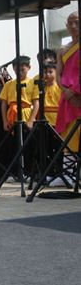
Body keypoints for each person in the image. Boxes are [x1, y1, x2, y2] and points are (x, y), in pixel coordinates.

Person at [55, 11, 80, 186]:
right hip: (67, 98)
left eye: (77, 22)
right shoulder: (63, 49)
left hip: (78, 95)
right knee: (69, 135)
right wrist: (66, 91)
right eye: (70, 23)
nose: (73, 26)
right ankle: (68, 174)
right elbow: (58, 74)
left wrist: (75, 91)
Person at [0, 56, 38, 131]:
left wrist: (31, 120)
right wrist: (5, 121)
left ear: (29, 67)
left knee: (27, 139)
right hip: (12, 115)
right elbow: (4, 103)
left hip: (27, 114)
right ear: (13, 69)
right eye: (17, 70)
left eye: (22, 70)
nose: (20, 72)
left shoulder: (33, 83)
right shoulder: (8, 84)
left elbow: (36, 102)